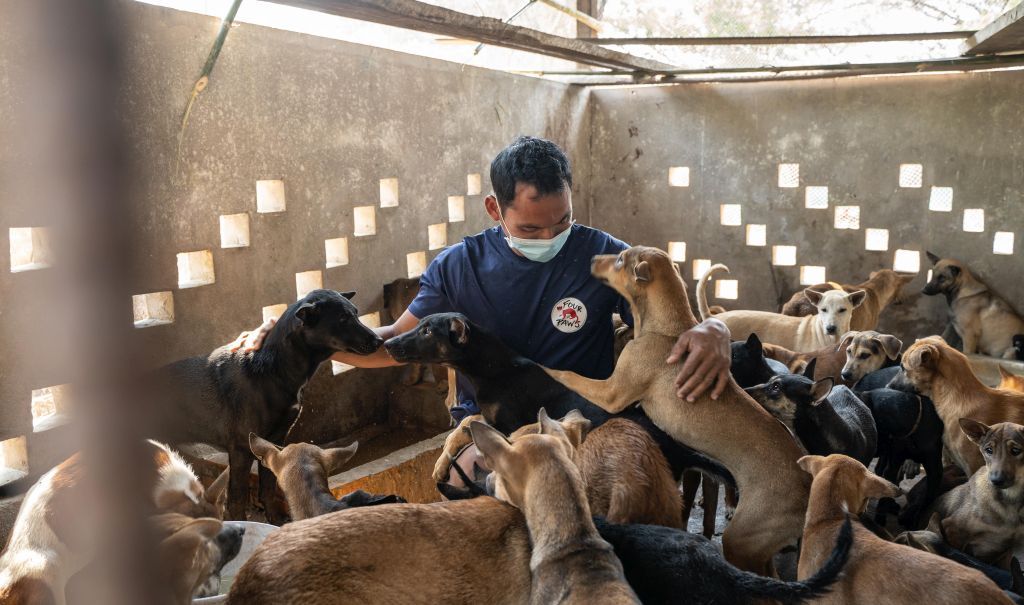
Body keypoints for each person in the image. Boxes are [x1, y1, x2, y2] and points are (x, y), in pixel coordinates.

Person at [235, 136, 731, 421]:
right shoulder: (458, 266)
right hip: (488, 423)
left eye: (563, 222)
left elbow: (672, 328)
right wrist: (289, 337)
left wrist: (714, 330)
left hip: (584, 421)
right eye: (531, 228)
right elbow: (386, 345)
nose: (551, 236)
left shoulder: (606, 257)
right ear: (495, 208)